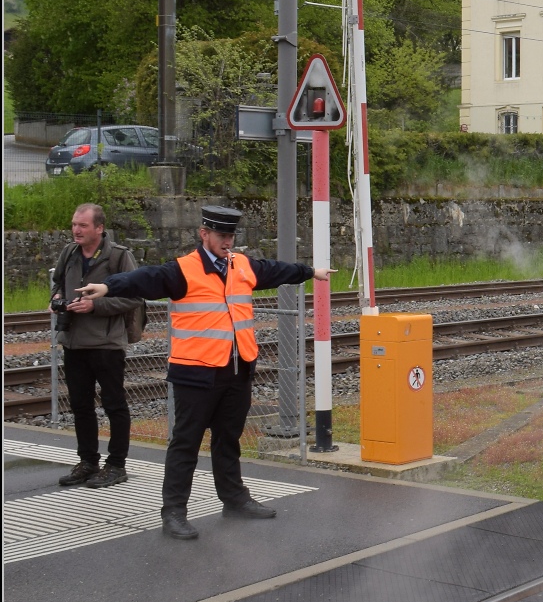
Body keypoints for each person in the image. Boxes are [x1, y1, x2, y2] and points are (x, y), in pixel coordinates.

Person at [78, 205, 332, 539]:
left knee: (228, 439)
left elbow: (275, 270)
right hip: (196, 374)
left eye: (231, 235)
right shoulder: (184, 269)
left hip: (237, 369)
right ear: (204, 234)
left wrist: (310, 271)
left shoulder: (242, 265)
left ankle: (234, 499)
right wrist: (108, 287)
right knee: (186, 443)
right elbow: (145, 278)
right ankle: (173, 512)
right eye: (221, 235)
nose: (228, 241)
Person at [51, 203, 141, 488]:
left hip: (106, 343)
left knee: (114, 405)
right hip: (74, 341)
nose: (76, 230)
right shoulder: (70, 253)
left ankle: (116, 465)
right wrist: (55, 299)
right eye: (74, 224)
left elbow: (134, 297)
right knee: (80, 405)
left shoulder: (119, 257)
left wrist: (94, 305)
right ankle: (88, 461)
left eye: (83, 225)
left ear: (99, 228)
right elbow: (57, 284)